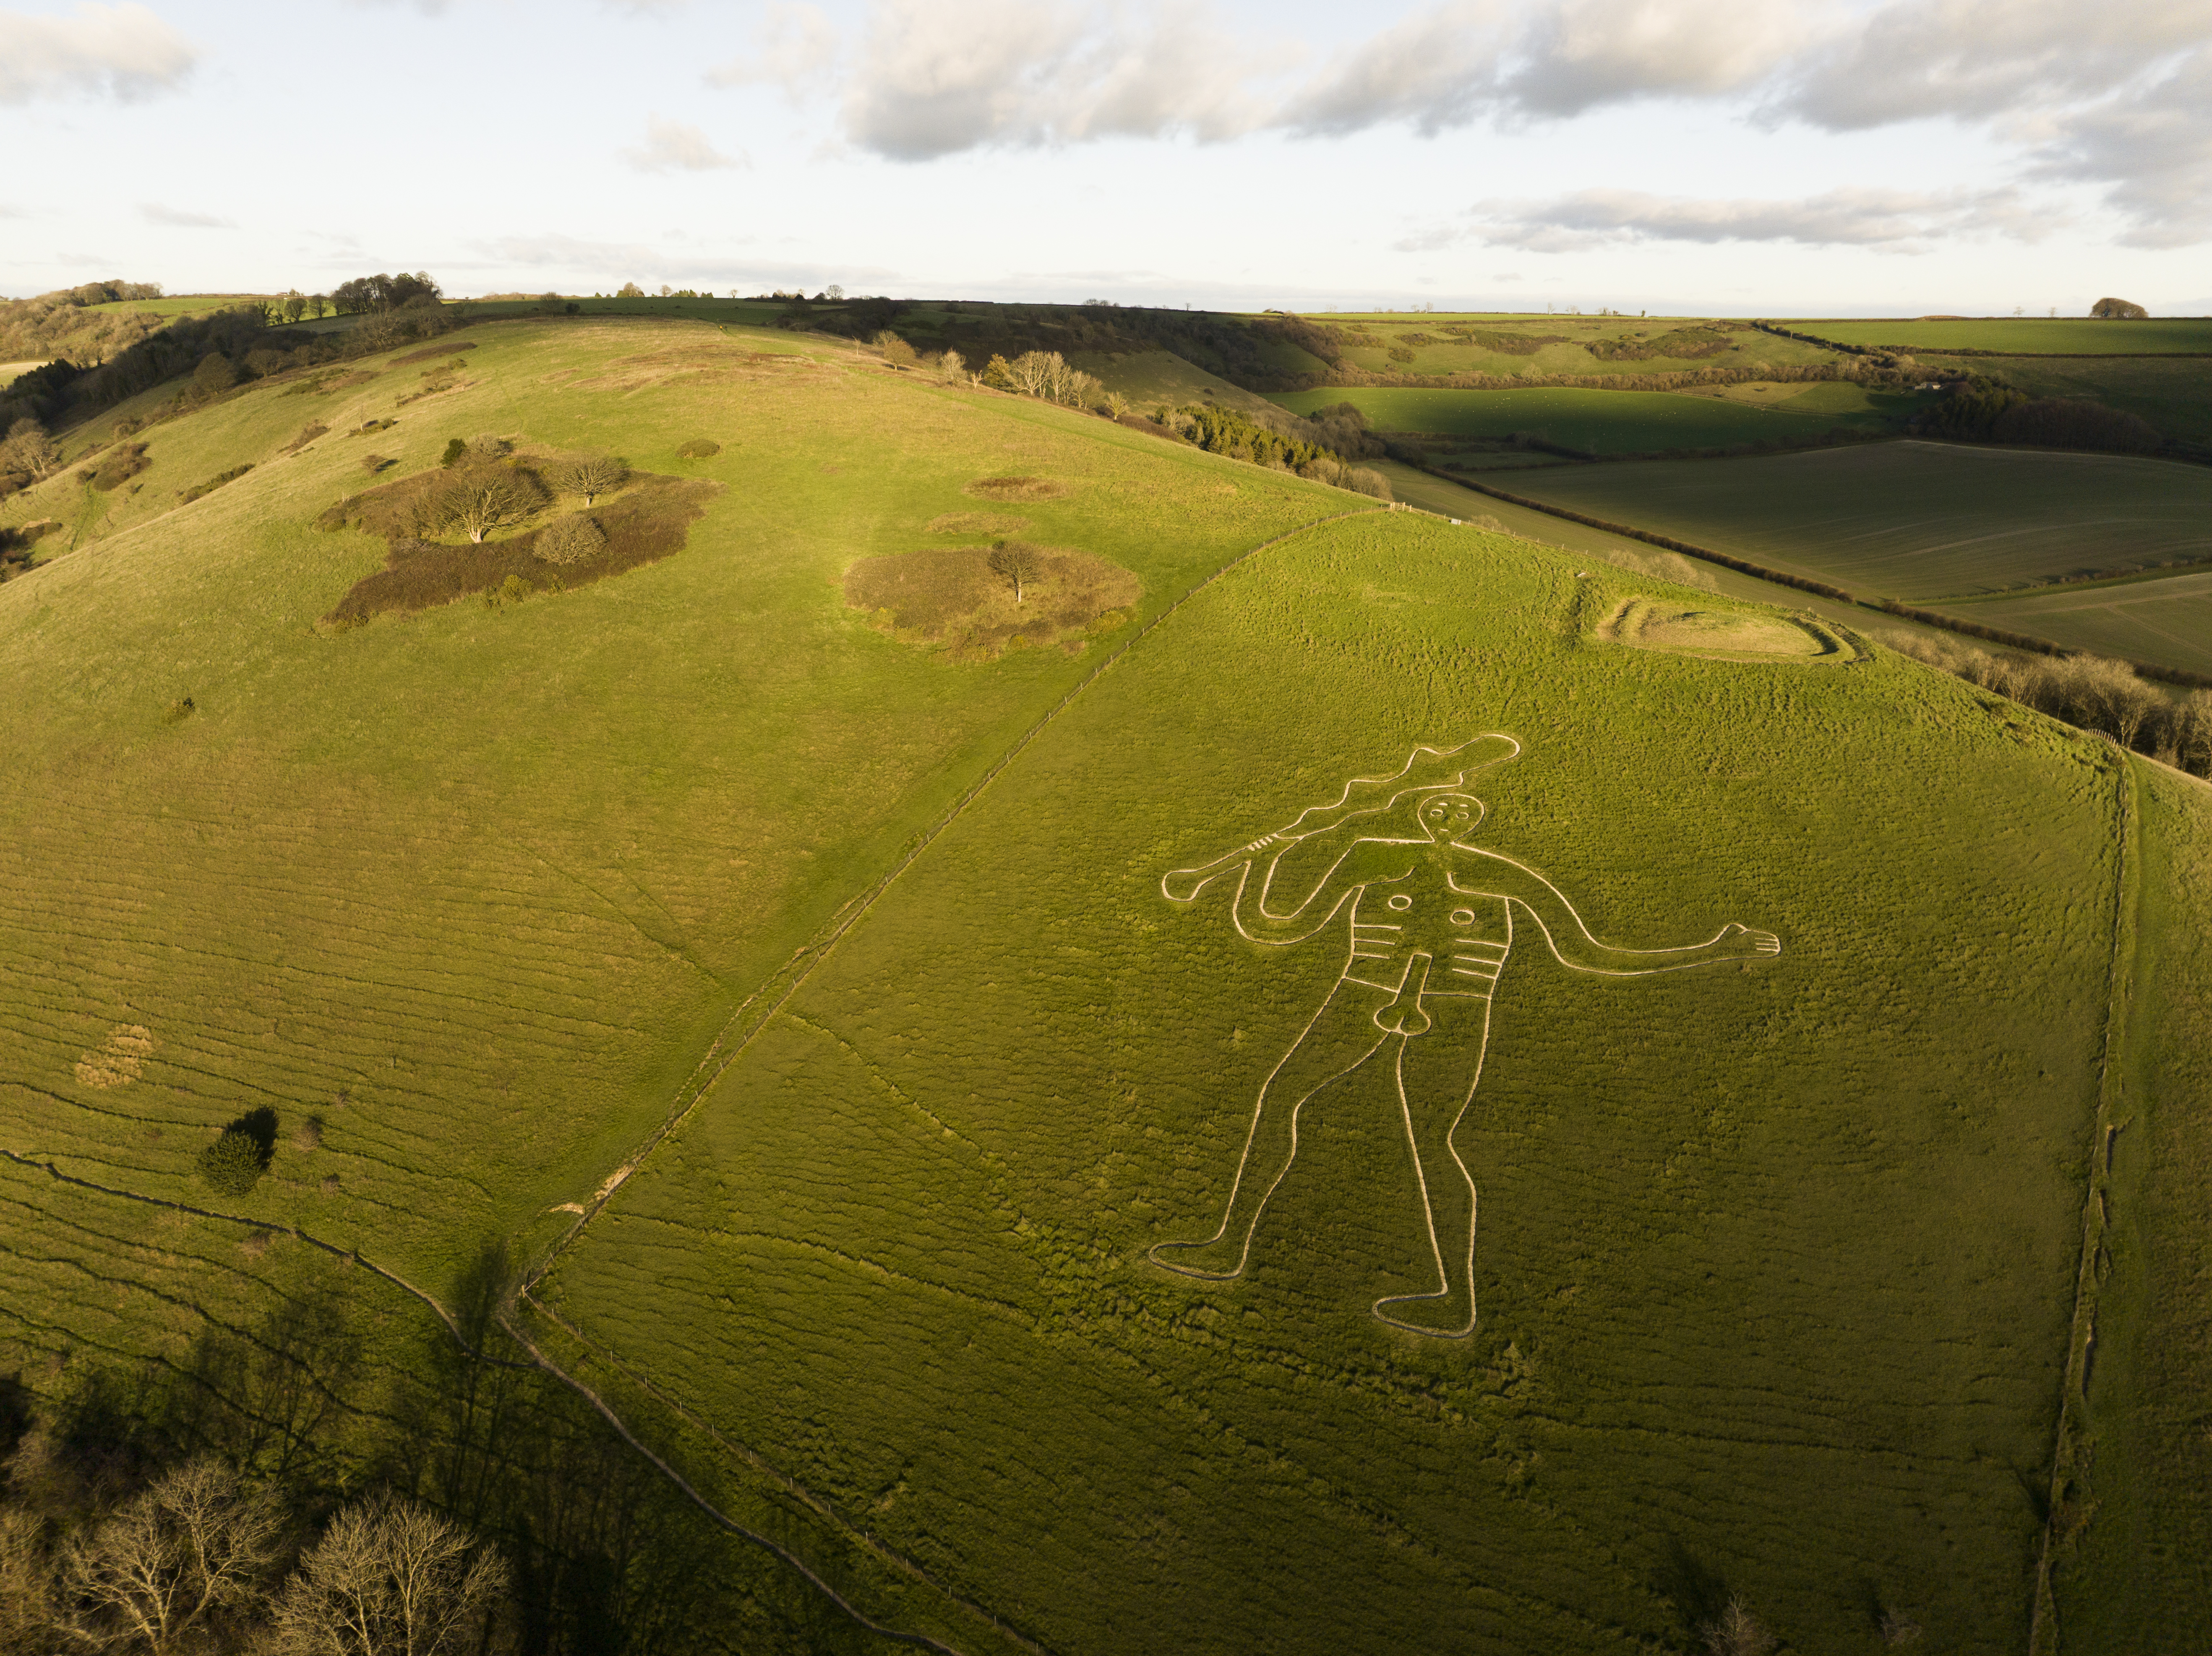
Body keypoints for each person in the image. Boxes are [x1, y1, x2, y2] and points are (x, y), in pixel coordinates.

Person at [1152, 736, 1781, 1337]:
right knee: (1284, 1094)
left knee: (1432, 1141)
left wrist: (1712, 952)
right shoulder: (1371, 853)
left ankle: (1454, 1300)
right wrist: (1255, 870)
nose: (1450, 813)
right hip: (1364, 989)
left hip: (1453, 1007)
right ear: (1422, 811)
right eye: (1439, 804)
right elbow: (1276, 929)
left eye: (1462, 807)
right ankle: (1229, 1246)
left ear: (1474, 820)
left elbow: (1589, 954)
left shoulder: (1501, 875)